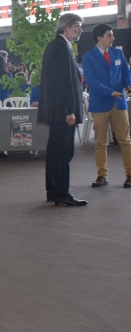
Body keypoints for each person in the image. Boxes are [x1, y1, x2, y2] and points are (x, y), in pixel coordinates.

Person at [37, 13, 87, 206]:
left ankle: (54, 191)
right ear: (66, 27)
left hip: (58, 110)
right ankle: (61, 193)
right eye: (77, 26)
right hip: (62, 111)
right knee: (63, 152)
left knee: (55, 151)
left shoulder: (57, 46)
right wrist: (69, 110)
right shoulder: (60, 46)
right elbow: (62, 82)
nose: (80, 30)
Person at [82, 24, 131, 189]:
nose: (113, 38)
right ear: (99, 37)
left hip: (120, 103)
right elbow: (91, 81)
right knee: (100, 142)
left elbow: (126, 71)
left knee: (125, 140)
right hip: (100, 104)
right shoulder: (88, 57)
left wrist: (128, 84)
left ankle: (130, 174)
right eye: (110, 35)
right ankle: (102, 175)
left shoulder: (118, 53)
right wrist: (111, 92)